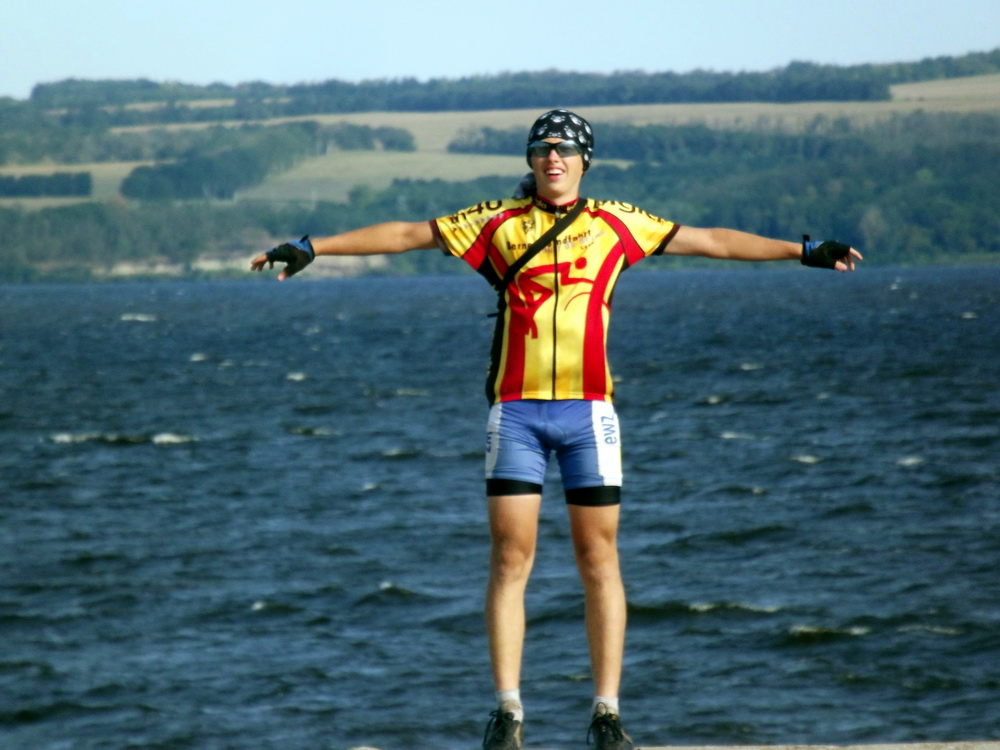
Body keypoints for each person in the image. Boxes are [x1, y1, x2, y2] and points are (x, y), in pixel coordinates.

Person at [251, 108, 862, 750]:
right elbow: (407, 233)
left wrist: (804, 251)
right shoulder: (496, 222)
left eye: (566, 150)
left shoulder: (616, 224)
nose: (553, 159)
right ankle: (507, 712)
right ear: (530, 159)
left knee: (599, 559)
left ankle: (607, 714)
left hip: (588, 413)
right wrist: (312, 247)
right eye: (542, 149)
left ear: (584, 161)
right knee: (510, 558)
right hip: (516, 413)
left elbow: (711, 241)